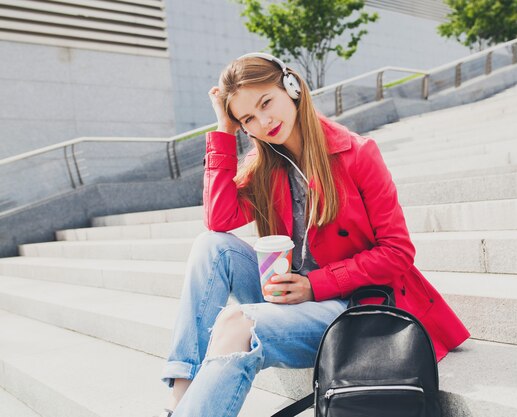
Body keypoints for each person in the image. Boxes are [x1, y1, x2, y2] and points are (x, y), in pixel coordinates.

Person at [157, 52, 470, 417]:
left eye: (266, 102)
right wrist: (224, 131)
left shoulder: (358, 154)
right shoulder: (265, 169)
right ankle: (180, 396)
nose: (264, 121)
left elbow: (397, 252)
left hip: (348, 306)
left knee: (234, 322)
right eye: (248, 119)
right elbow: (219, 219)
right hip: (289, 292)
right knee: (211, 246)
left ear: (291, 87)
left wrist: (315, 285)